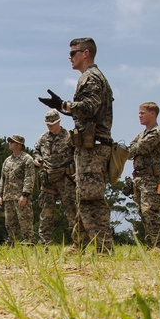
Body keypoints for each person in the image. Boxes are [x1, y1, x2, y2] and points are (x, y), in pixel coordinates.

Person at [39, 37, 114, 254]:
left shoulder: (91, 77)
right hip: (88, 145)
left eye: (73, 53)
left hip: (93, 147)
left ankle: (104, 248)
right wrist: (64, 108)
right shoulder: (89, 77)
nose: (69, 57)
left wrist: (63, 105)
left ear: (86, 53)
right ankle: (79, 243)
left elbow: (89, 107)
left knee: (91, 198)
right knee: (84, 195)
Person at [34, 109, 78, 246]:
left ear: (59, 121)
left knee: (72, 211)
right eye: (48, 124)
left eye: (53, 124)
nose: (50, 127)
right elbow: (37, 151)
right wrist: (38, 159)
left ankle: (78, 243)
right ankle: (45, 244)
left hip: (66, 179)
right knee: (46, 213)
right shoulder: (43, 138)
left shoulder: (69, 137)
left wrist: (78, 172)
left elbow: (78, 154)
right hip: (48, 180)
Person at [128, 102, 160, 251]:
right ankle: (150, 244)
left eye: (142, 113)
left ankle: (159, 244)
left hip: (151, 178)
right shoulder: (141, 134)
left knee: (150, 210)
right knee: (142, 212)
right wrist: (131, 150)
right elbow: (128, 153)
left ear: (153, 114)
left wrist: (132, 149)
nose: (139, 116)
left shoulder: (157, 132)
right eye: (139, 113)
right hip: (138, 178)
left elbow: (140, 148)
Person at [0, 135, 36, 245]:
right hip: (8, 197)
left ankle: (29, 241)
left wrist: (25, 194)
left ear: (19, 144)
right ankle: (11, 241)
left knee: (25, 220)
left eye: (12, 141)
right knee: (9, 222)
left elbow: (29, 178)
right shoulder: (7, 160)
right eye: (9, 141)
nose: (9, 143)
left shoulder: (27, 159)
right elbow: (2, 179)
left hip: (20, 197)